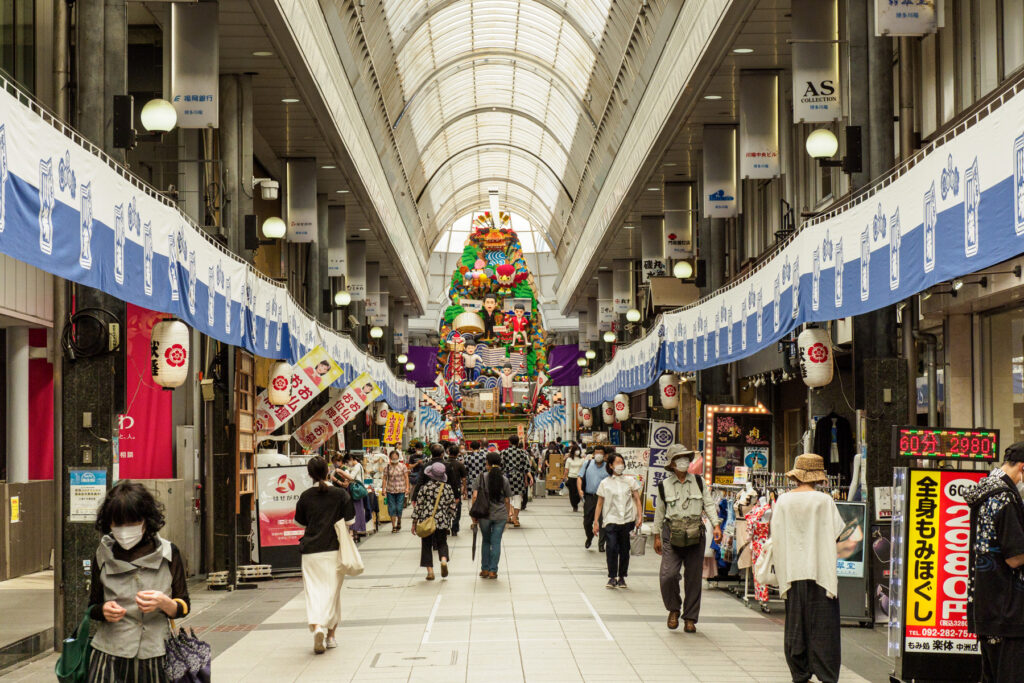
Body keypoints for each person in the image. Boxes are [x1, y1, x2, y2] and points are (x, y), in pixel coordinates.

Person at [86, 481, 191, 681]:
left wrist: (165, 603)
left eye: (132, 523)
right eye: (118, 524)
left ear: (145, 521)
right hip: (109, 655)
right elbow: (92, 606)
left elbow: (184, 605)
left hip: (155, 654)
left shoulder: (169, 553)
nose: (125, 530)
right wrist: (103, 610)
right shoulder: (102, 555)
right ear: (109, 523)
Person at [769, 453, 845, 683]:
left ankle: (799, 672)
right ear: (818, 477)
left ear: (796, 475)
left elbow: (776, 533)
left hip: (792, 571)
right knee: (824, 625)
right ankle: (826, 673)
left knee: (795, 622)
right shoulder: (824, 501)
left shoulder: (782, 500)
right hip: (820, 570)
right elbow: (837, 534)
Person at [966, 442, 1024, 682]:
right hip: (1008, 609)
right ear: (1023, 468)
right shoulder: (1005, 499)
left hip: (985, 604)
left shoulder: (984, 491)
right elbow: (1014, 558)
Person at [653, 444, 723, 633]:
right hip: (671, 532)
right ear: (672, 464)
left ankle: (690, 618)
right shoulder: (663, 485)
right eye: (679, 459)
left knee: (693, 578)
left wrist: (716, 525)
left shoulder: (699, 482)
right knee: (668, 576)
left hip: (695, 532)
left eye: (685, 458)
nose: (683, 462)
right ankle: (673, 609)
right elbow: (659, 512)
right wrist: (656, 535)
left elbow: (708, 504)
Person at [294, 456, 356, 654]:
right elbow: (351, 521)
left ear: (310, 474)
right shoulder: (340, 494)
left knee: (313, 593)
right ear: (328, 470)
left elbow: (300, 523)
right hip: (334, 550)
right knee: (332, 594)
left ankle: (317, 627)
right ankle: (330, 636)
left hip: (311, 552)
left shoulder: (305, 496)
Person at [592, 452, 643, 589]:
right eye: (617, 462)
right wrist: (596, 521)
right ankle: (612, 577)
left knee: (624, 549)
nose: (620, 465)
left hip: (627, 520)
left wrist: (640, 516)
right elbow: (599, 503)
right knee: (612, 547)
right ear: (610, 465)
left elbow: (637, 499)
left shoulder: (630, 481)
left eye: (622, 462)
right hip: (611, 519)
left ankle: (622, 577)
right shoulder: (605, 483)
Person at [411, 462, 456, 581]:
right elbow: (452, 506)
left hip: (426, 520)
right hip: (442, 520)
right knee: (442, 542)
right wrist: (450, 518)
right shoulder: (447, 488)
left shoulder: (424, 488)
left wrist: (414, 522)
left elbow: (419, 506)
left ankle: (430, 572)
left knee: (426, 545)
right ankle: (443, 560)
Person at [472, 452, 512, 579]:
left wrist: (474, 514)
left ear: (488, 463)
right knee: (496, 542)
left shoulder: (481, 477)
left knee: (486, 541)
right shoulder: (504, 479)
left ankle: (484, 569)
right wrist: (508, 515)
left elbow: (474, 496)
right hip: (500, 515)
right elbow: (507, 500)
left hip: (484, 514)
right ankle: (493, 571)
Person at [579, 446, 611, 550]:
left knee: (603, 521)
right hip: (590, 497)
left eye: (600, 453)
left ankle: (601, 544)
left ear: (604, 455)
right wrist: (580, 490)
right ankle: (589, 537)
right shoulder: (587, 464)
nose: (598, 455)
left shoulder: (608, 467)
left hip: (603, 498)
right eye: (596, 453)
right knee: (587, 521)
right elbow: (579, 477)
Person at [500, 435, 532, 527]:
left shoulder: (504, 452)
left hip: (506, 477)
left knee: (507, 498)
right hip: (518, 478)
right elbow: (526, 467)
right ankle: (515, 518)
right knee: (517, 498)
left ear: (509, 442)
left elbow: (500, 466)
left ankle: (507, 517)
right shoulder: (522, 453)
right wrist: (531, 477)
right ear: (518, 442)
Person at [383, 449, 409, 533]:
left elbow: (406, 477)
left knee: (399, 508)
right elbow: (384, 479)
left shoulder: (403, 466)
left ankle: (399, 520)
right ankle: (393, 526)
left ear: (398, 457)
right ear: (390, 458)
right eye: (393, 458)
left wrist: (407, 488)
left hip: (401, 489)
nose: (394, 459)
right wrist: (383, 489)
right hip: (390, 490)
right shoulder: (387, 467)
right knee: (392, 508)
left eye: (396, 457)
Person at [446, 443, 469, 536]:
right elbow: (464, 479)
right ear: (457, 454)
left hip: (445, 489)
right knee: (457, 508)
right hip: (457, 489)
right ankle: (455, 528)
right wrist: (464, 489)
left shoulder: (444, 463)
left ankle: (446, 526)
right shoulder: (460, 465)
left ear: (448, 452)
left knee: (446, 507)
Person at [564, 446, 585, 512]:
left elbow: (584, 469)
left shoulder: (582, 459)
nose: (577, 451)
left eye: (578, 450)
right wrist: (565, 477)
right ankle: (574, 506)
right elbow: (566, 469)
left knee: (579, 492)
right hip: (571, 477)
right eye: (576, 450)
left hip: (579, 478)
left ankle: (577, 502)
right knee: (572, 493)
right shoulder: (569, 459)